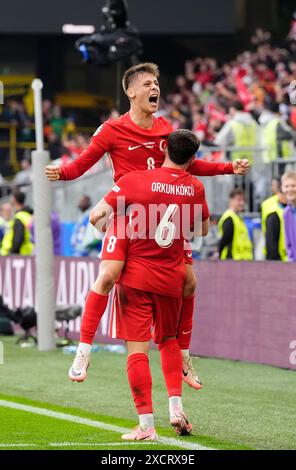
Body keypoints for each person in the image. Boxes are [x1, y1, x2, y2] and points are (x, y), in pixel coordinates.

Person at [45, 62, 249, 388]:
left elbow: (190, 163)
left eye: (157, 82)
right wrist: (63, 173)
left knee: (190, 283)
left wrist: (228, 168)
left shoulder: (165, 127)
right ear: (131, 91)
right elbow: (83, 162)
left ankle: (183, 355)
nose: (155, 88)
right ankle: (84, 349)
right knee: (109, 275)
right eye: (148, 83)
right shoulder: (112, 129)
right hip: (129, 212)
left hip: (163, 217)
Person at [92, 130, 209, 440]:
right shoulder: (195, 187)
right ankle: (175, 408)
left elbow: (99, 214)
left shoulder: (136, 180)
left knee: (137, 349)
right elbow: (203, 229)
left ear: (163, 150)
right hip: (172, 277)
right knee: (168, 340)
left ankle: (145, 426)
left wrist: (114, 223)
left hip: (136, 278)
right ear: (193, 159)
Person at [218, 189, 253, 260]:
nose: (242, 203)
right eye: (239, 200)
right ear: (231, 201)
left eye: (243, 200)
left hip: (240, 262)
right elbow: (224, 242)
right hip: (231, 261)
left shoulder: (238, 218)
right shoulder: (229, 218)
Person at [1, 191, 33, 256]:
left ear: (14, 199)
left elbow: (18, 239)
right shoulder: (27, 215)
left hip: (18, 255)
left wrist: (12, 252)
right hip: (26, 253)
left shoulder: (19, 217)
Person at [261, 184, 287, 261]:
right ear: (278, 194)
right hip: (280, 261)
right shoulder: (274, 215)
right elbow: (271, 244)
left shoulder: (289, 210)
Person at [282, 171, 296, 262]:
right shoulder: (286, 213)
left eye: (293, 186)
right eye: (286, 186)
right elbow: (289, 245)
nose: (289, 189)